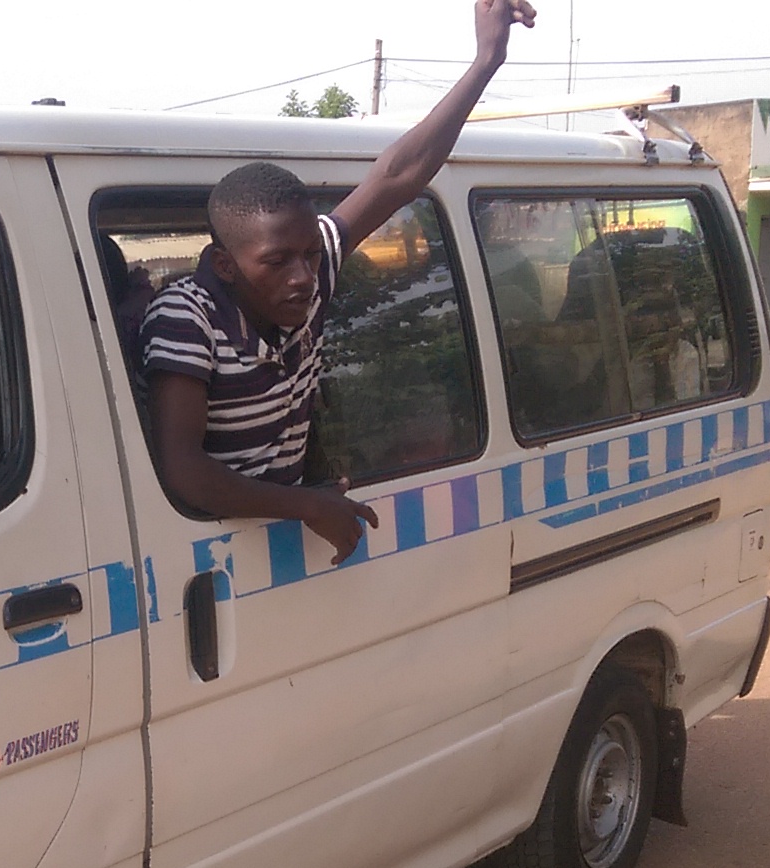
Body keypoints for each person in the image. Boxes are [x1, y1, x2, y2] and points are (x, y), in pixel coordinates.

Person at [139, 0, 536, 566]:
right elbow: (184, 471)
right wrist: (305, 506)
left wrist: (485, 62)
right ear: (225, 265)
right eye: (278, 262)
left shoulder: (311, 262)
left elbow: (397, 175)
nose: (304, 276)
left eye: (307, 253)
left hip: (285, 531)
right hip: (217, 550)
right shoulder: (187, 317)